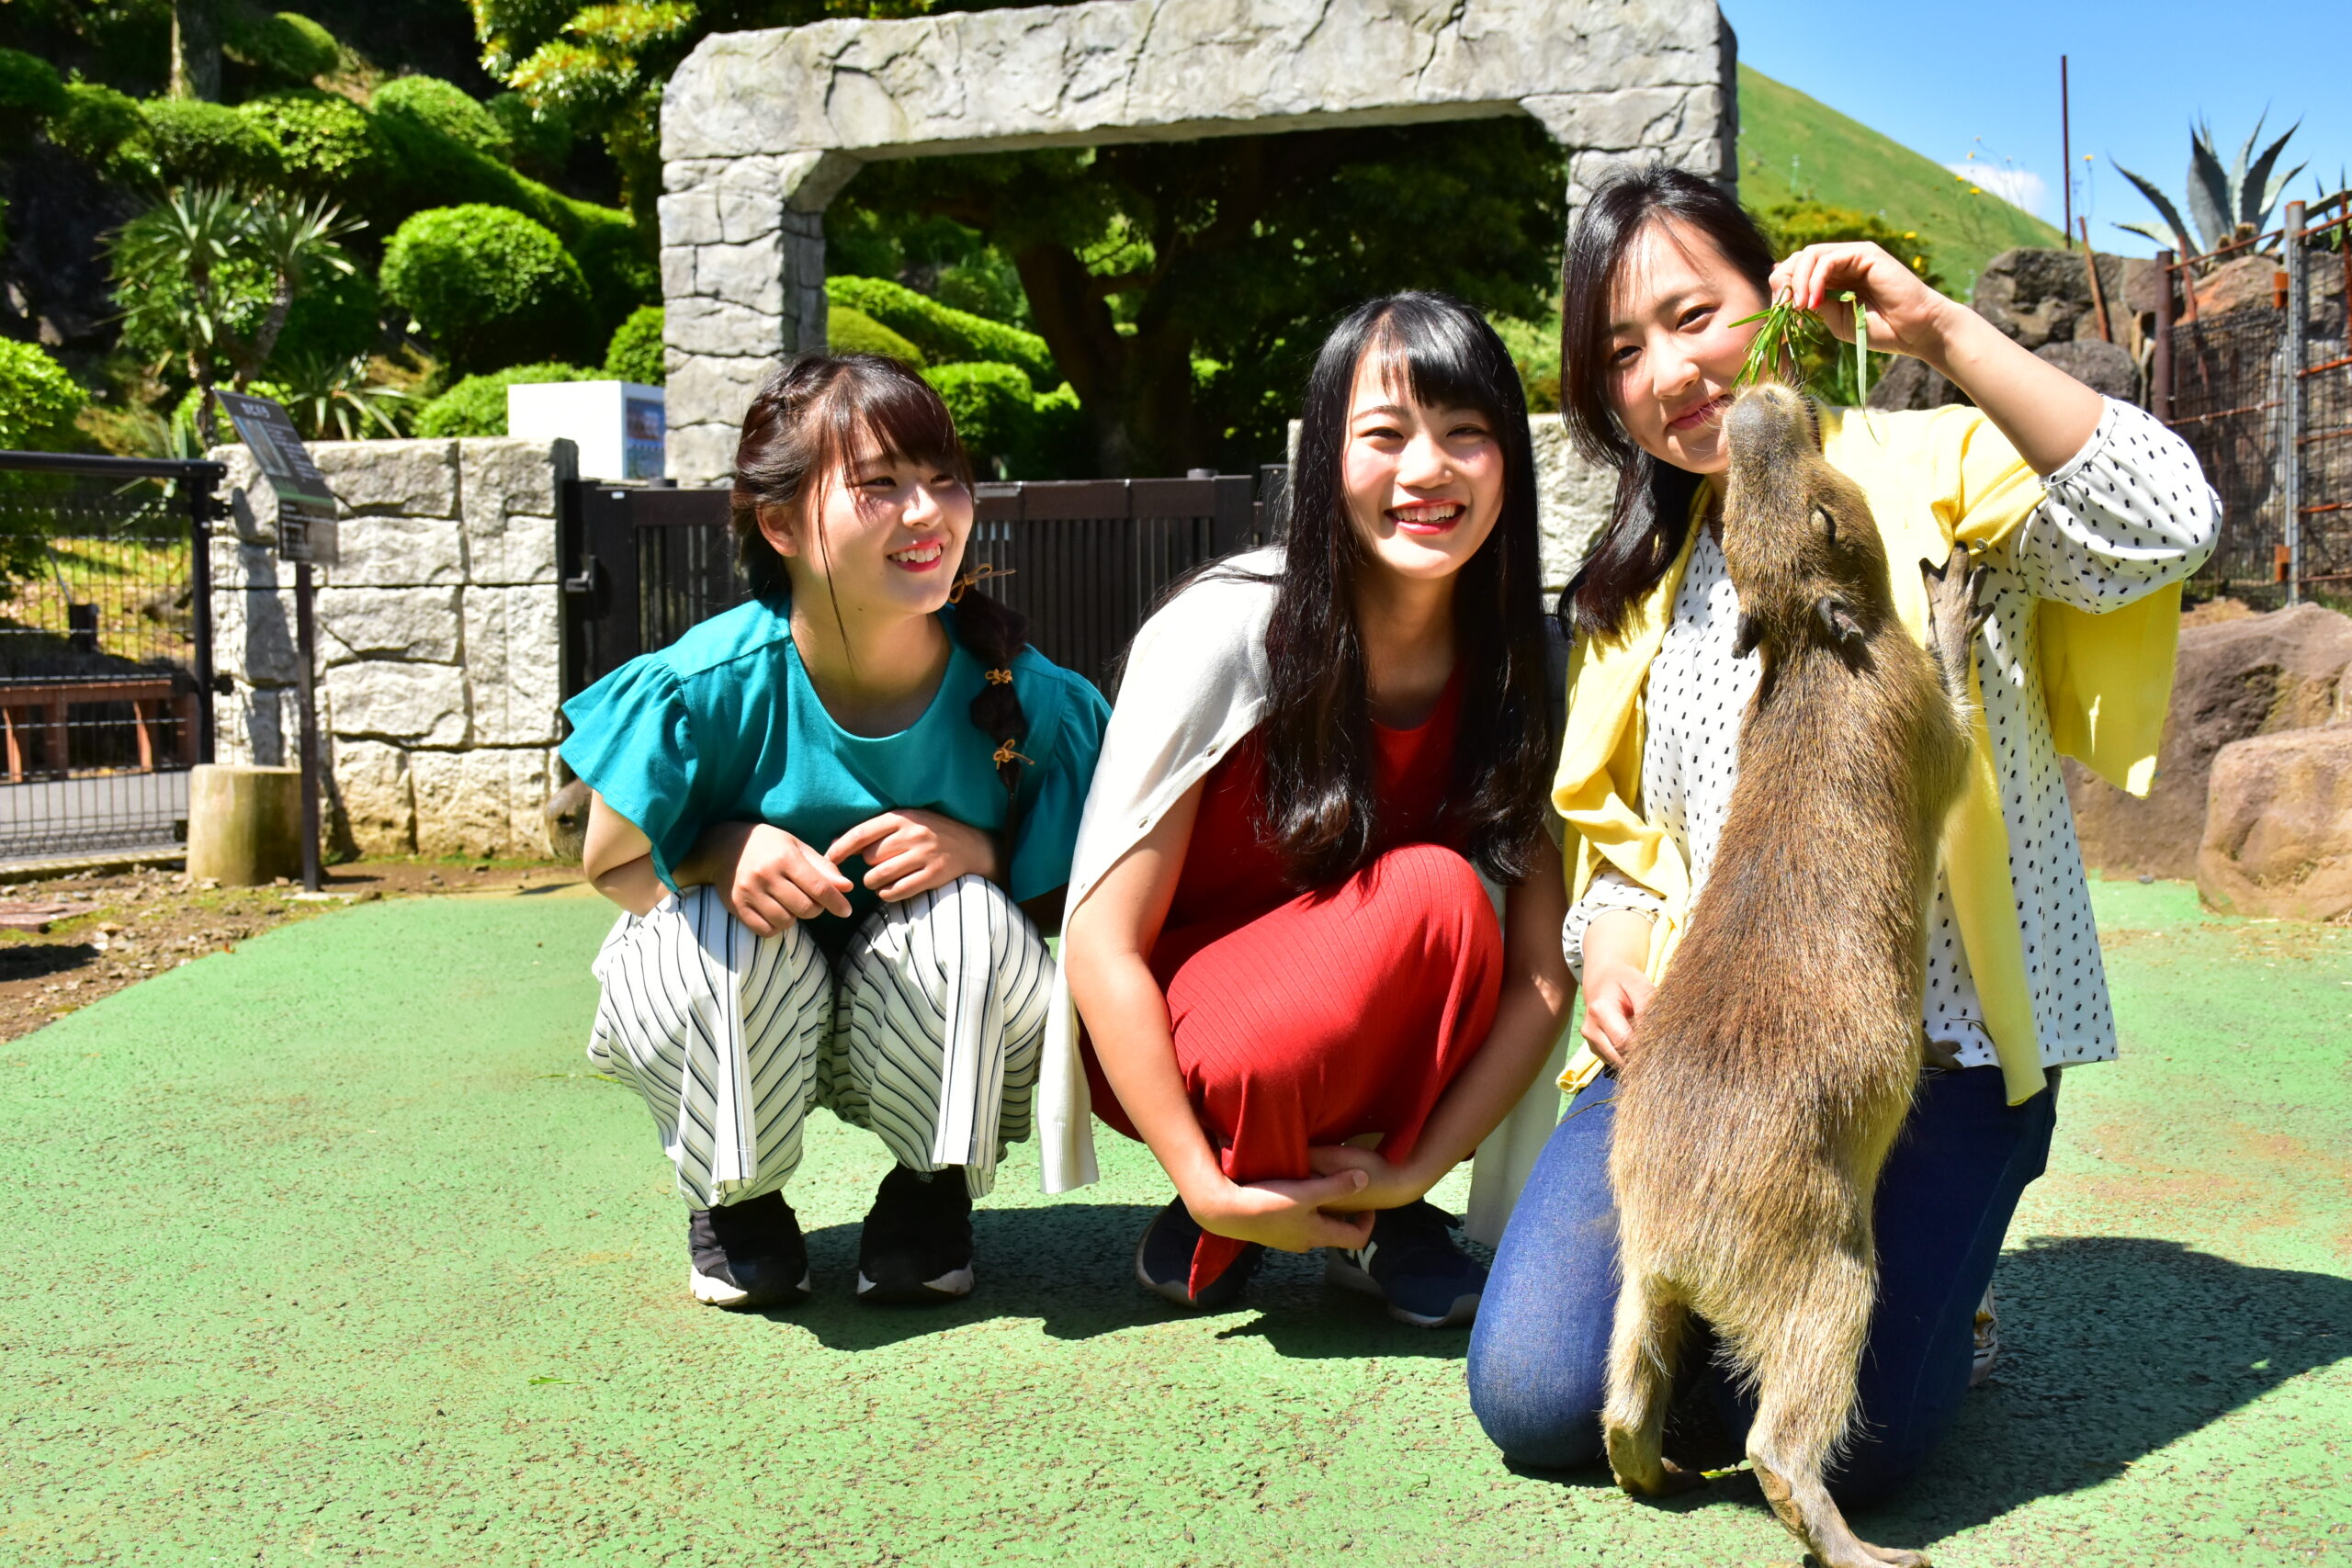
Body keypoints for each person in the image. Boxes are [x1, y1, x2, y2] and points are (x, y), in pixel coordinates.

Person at [1466, 165, 2218, 1494]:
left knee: (1845, 1436)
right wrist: (1619, 954)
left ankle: (1936, 1290)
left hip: (1934, 1052)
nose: (1669, 373)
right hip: (1713, 1061)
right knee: (1538, 1396)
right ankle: (1799, 1284)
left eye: (1694, 316)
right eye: (1622, 353)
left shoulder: (1938, 470)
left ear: (1771, 302)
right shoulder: (1638, 582)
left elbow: (2169, 522)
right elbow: (1624, 843)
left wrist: (1941, 331)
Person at [1055, 293, 1575, 1328]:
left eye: (1465, 433)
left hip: (1377, 1046)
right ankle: (1242, 1200)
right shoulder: (1226, 631)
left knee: (1448, 902)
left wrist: (1415, 1170)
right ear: (1325, 460)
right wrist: (1199, 1177)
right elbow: (1102, 945)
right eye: (1384, 435)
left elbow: (1540, 974)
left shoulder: (1532, 663)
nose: (1427, 469)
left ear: (1509, 462)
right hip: (1195, 1040)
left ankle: (1372, 1213)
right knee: (1431, 894)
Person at [563, 354, 1109, 1310]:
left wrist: (980, 854)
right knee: (712, 934)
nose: (926, 512)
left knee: (974, 926)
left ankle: (930, 1193)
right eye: (879, 486)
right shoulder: (703, 683)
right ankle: (738, 1203)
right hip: (751, 1017)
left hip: (910, 1024)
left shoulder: (1038, 701)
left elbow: (1080, 899)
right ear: (779, 525)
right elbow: (610, 863)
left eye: (943, 478)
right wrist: (720, 851)